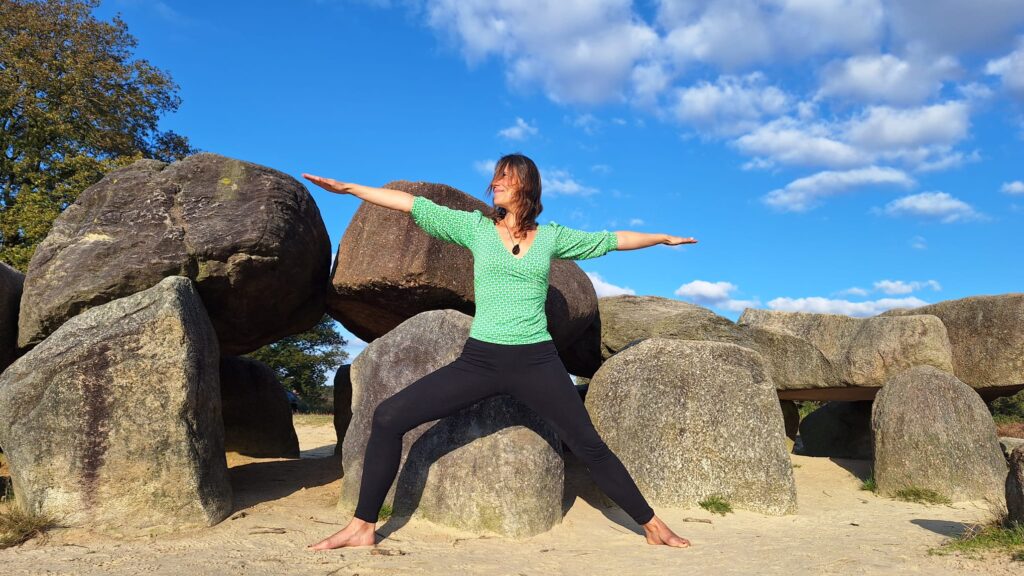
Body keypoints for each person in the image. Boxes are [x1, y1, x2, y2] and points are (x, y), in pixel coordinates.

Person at [302, 153, 698, 550]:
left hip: (537, 362)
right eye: (495, 178)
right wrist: (349, 188)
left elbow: (613, 240)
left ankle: (652, 526)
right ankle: (362, 526)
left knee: (588, 444)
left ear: (526, 184)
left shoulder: (552, 237)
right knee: (388, 416)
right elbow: (412, 204)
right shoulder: (474, 228)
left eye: (505, 177)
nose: (496, 183)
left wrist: (661, 238)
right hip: (481, 360)